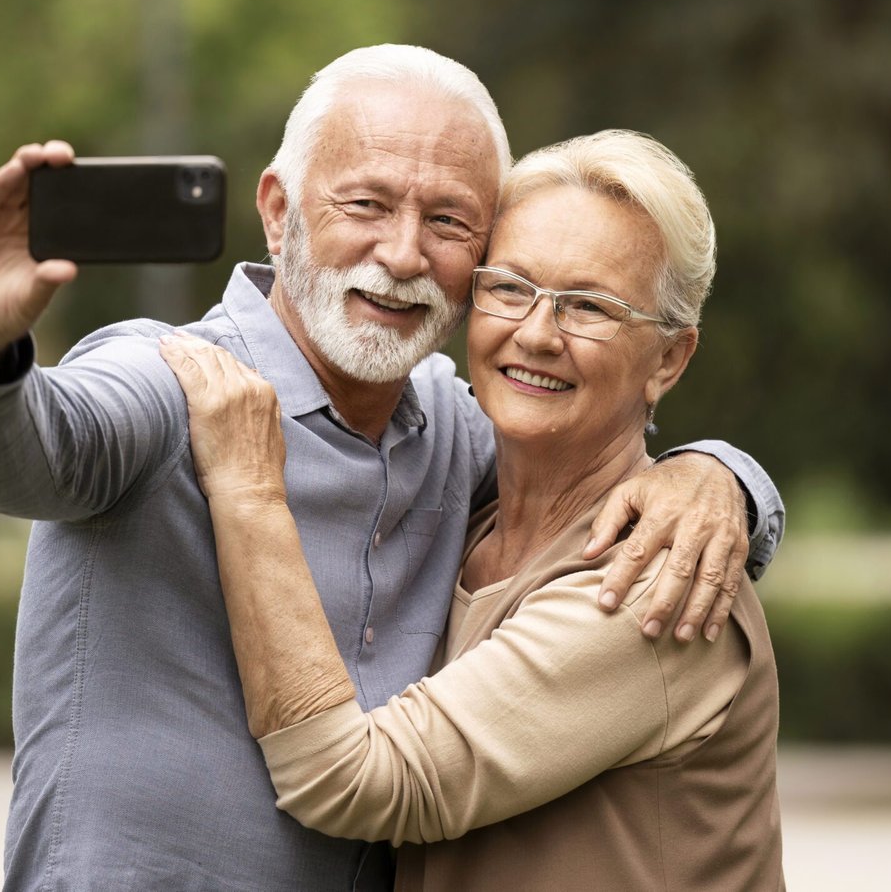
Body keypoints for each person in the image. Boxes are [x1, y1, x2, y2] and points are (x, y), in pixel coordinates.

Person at [0, 46, 784, 892]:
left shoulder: (463, 437)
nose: (402, 254)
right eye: (365, 204)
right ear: (279, 210)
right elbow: (32, 453)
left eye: (447, 221)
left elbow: (588, 459)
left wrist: (719, 477)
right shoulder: (175, 384)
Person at [159, 129, 783, 890]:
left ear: (669, 359)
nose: (537, 333)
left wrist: (251, 492)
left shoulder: (650, 578)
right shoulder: (469, 518)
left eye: (588, 306)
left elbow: (354, 781)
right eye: (510, 286)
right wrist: (723, 468)